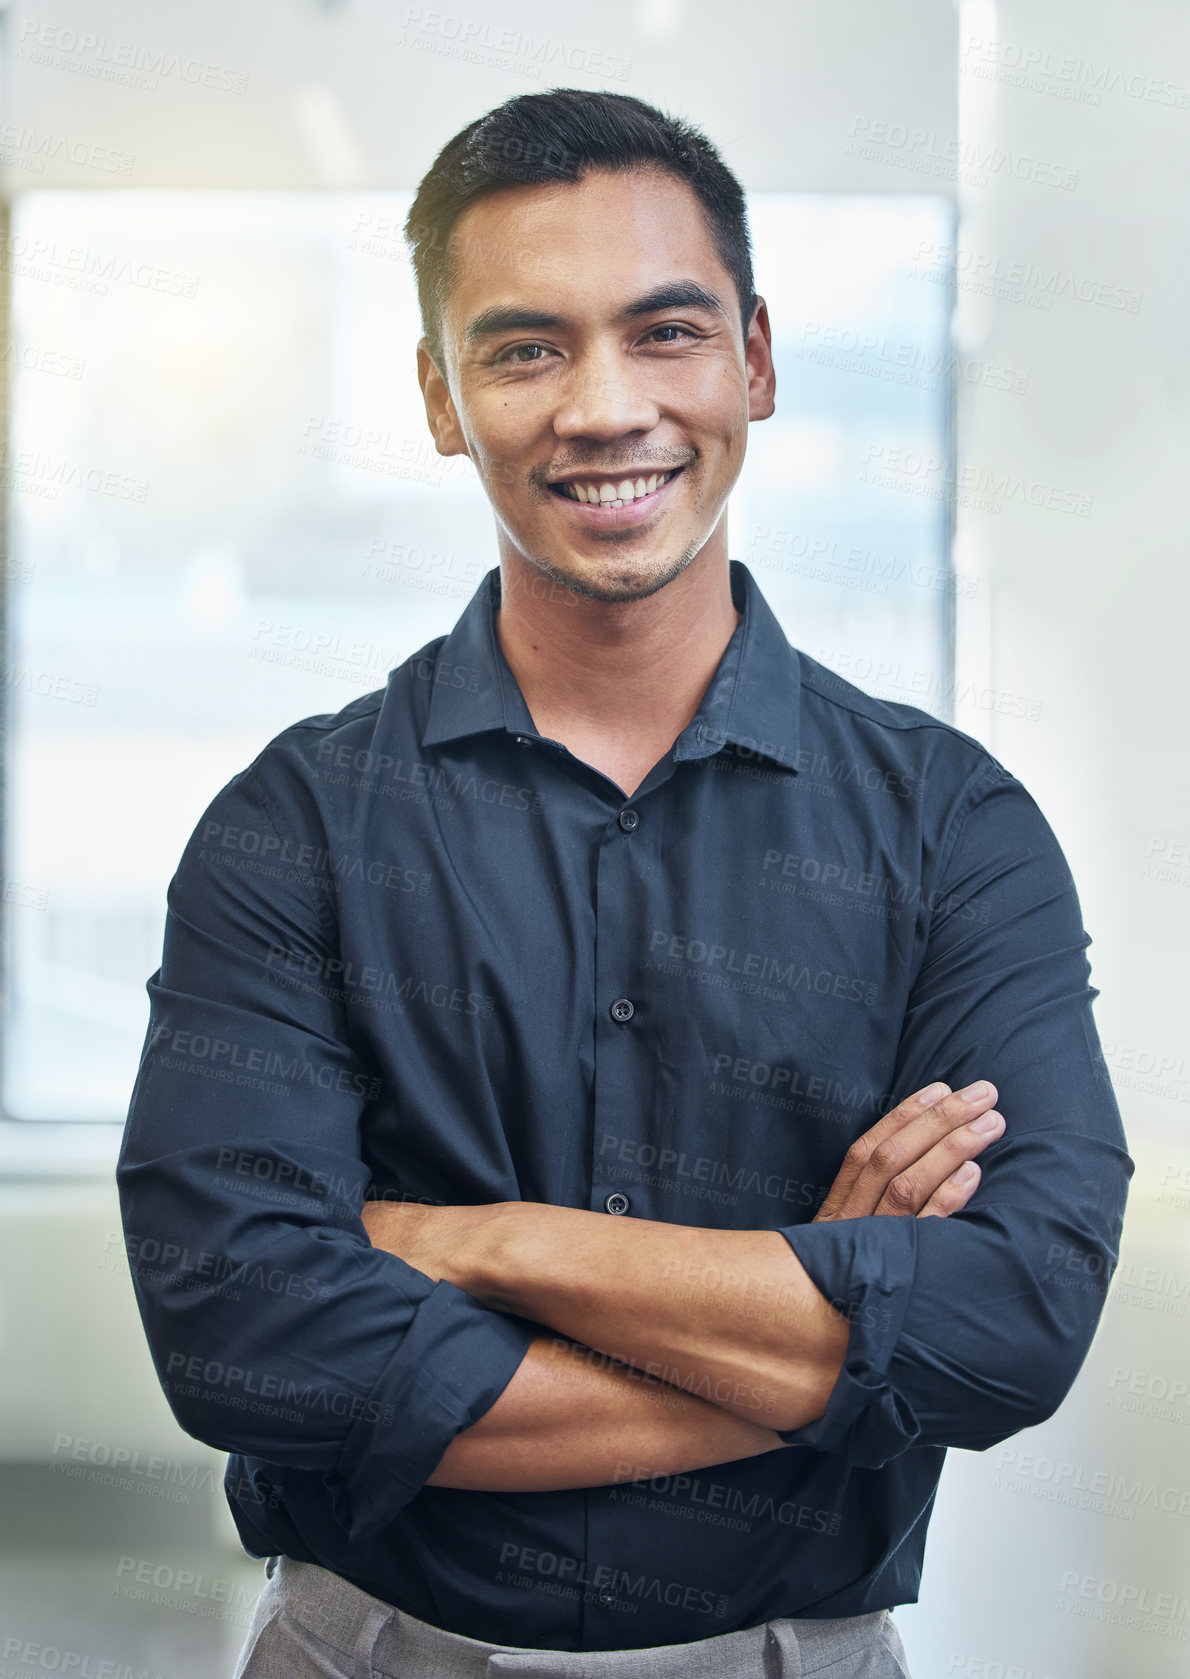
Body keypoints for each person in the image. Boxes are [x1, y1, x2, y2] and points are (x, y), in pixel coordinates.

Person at [116, 89, 1132, 1679]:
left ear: (756, 362)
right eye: (525, 349)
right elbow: (248, 1343)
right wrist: (821, 1326)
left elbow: (1008, 1325)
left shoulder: (952, 826)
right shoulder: (295, 825)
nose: (605, 408)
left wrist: (477, 1244)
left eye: (664, 333)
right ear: (442, 399)